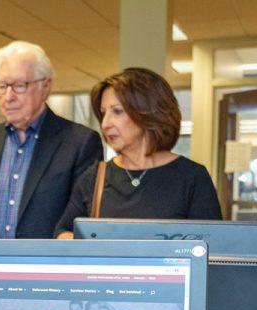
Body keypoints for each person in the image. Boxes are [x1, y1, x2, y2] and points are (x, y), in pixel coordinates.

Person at [0, 41, 103, 239]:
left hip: (49, 267)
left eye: (19, 86)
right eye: (2, 86)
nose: (8, 96)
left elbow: (79, 220)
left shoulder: (80, 143)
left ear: (46, 86)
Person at [55, 68, 222, 238]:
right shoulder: (95, 177)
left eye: (117, 111)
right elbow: (62, 232)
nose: (105, 124)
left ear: (148, 112)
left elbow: (213, 246)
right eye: (103, 113)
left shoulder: (192, 177)